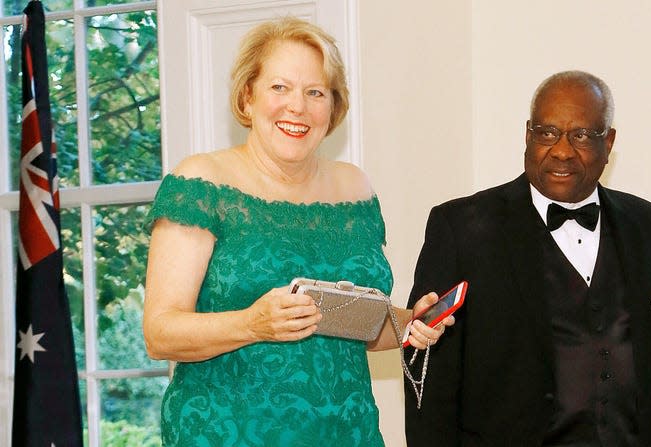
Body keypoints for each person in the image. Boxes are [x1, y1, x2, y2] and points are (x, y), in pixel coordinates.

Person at [143, 17, 452, 447]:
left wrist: (410, 324)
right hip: (227, 434)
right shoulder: (201, 183)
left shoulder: (355, 188)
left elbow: (348, 324)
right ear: (248, 97)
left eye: (315, 92)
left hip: (348, 433)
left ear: (333, 108)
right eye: (279, 88)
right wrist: (252, 324)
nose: (298, 107)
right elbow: (160, 333)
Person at [404, 70, 651, 446]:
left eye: (581, 135)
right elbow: (429, 375)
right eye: (546, 133)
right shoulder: (460, 229)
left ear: (609, 142)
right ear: (527, 135)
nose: (562, 150)